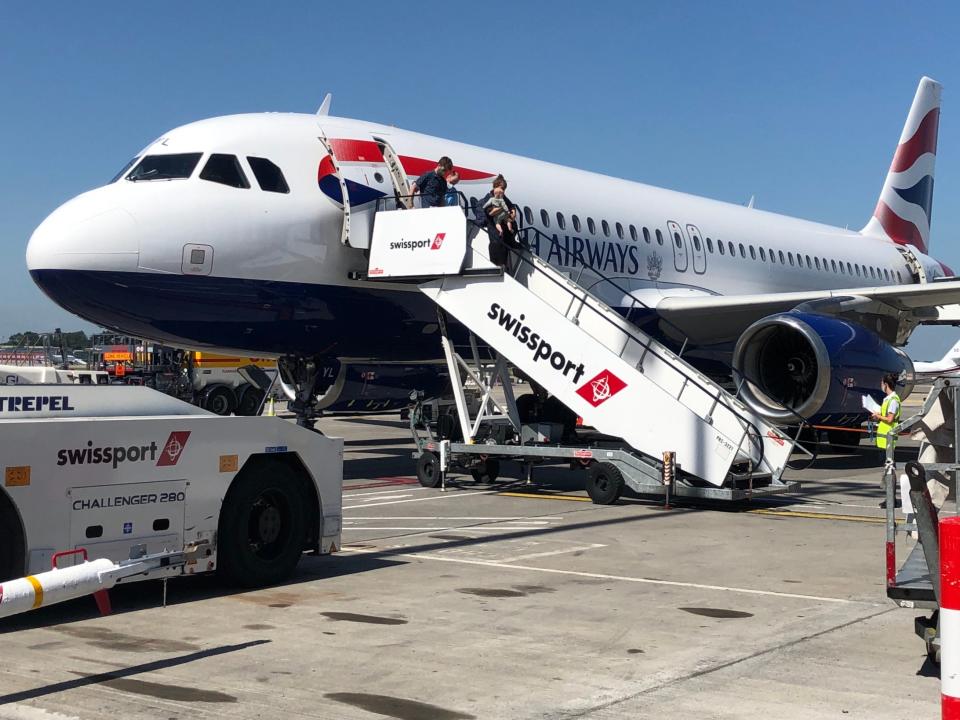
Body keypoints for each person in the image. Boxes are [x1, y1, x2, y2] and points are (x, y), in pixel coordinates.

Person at [872, 372, 901, 508]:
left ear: (886, 384)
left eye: (882, 383)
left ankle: (891, 499)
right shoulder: (888, 399)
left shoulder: (893, 400)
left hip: (889, 439)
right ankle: (889, 497)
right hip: (884, 439)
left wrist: (879, 416)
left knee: (890, 470)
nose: (881, 385)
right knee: (887, 469)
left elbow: (890, 419)